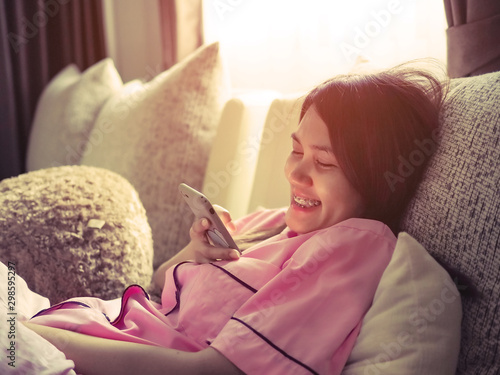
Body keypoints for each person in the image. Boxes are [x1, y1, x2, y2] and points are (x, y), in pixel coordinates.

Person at [23, 62, 446, 375]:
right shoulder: (270, 222)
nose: (296, 173)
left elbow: (215, 371)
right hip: (73, 328)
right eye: (297, 150)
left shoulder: (355, 244)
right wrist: (192, 253)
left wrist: (31, 338)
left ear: (377, 179)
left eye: (325, 163)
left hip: (60, 351)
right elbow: (157, 288)